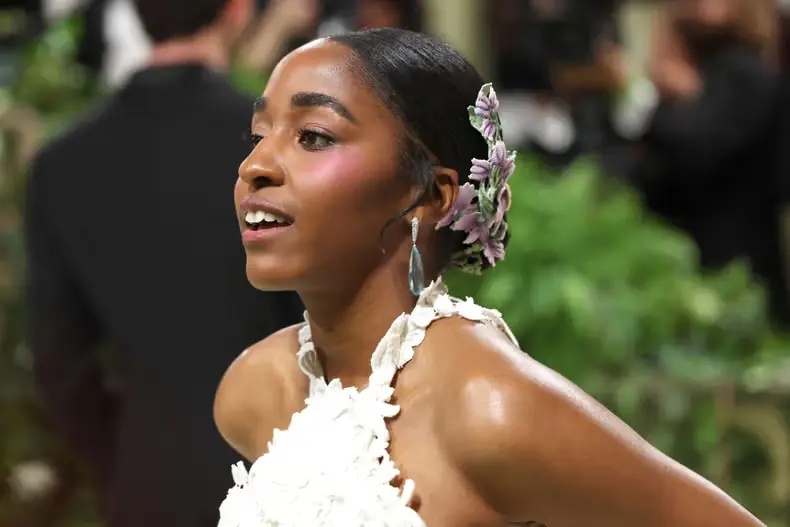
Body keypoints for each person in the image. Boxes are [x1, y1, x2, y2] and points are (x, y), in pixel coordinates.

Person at [213, 28, 765, 526]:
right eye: (259, 134)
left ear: (430, 196)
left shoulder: (487, 405)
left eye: (313, 136)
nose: (254, 166)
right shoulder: (254, 391)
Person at [24, 0, 303, 525]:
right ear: (237, 11)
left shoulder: (63, 165)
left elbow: (58, 364)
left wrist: (126, 457)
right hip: (284, 479)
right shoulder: (276, 150)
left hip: (146, 484)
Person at [624, 0, 789, 327]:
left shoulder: (747, 73)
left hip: (740, 271)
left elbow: (701, 148)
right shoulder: (699, 73)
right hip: (688, 268)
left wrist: (673, 98)